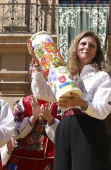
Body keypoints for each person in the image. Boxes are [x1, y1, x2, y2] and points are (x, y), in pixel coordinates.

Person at [30, 31, 111, 170]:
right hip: (64, 127)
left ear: (97, 52)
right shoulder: (66, 75)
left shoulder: (102, 77)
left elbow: (103, 110)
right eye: (83, 44)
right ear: (76, 47)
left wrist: (80, 103)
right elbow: (42, 92)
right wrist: (37, 63)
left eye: (92, 46)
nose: (87, 48)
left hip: (89, 127)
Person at [5, 94, 60, 170]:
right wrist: (33, 117)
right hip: (25, 155)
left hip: (49, 155)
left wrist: (50, 119)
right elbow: (14, 130)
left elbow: (64, 133)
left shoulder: (58, 101)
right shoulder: (24, 102)